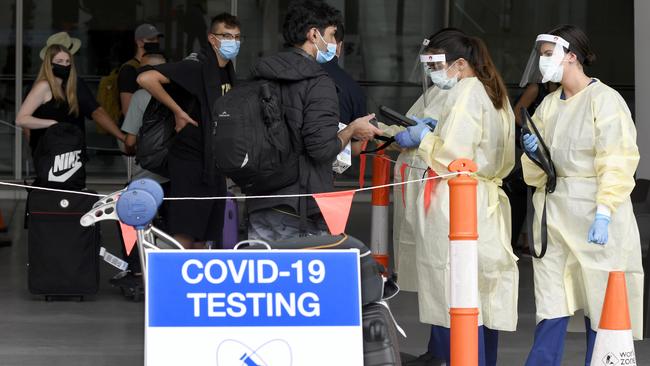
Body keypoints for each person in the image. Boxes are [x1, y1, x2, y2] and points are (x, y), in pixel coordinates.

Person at [519, 25, 643, 366]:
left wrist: (604, 212)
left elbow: (617, 160)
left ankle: (601, 361)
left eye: (548, 55)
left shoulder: (604, 101)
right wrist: (534, 156)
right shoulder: (547, 106)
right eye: (542, 56)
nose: (543, 62)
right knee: (552, 294)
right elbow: (538, 172)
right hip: (555, 211)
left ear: (571, 56)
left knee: (600, 297)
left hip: (594, 209)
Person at [395, 31, 518, 366]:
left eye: (436, 64)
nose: (432, 71)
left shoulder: (466, 91)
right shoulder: (493, 90)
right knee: (480, 292)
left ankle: (460, 359)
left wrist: (425, 139)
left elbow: (454, 152)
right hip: (481, 201)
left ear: (460, 64)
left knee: (456, 291)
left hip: (458, 202)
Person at [246, 0, 381, 242]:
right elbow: (321, 150)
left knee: (264, 276)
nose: (333, 43)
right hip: (300, 206)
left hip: (260, 199)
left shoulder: (260, 74)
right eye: (331, 34)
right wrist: (352, 129)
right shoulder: (319, 82)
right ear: (313, 34)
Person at [137, 13, 240, 249]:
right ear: (212, 39)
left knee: (205, 235)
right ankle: (171, 281)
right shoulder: (195, 66)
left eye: (236, 37)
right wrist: (177, 111)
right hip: (190, 162)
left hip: (213, 164)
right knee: (185, 232)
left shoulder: (227, 70)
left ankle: (193, 282)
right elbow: (146, 78)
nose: (233, 41)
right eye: (227, 36)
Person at [17, 44, 126, 156]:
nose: (65, 65)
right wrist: (52, 124)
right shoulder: (43, 86)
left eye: (68, 61)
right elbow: (21, 119)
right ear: (49, 64)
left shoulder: (71, 86)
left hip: (72, 152)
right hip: (51, 152)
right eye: (59, 61)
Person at [118, 23, 163, 118]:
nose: (156, 42)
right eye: (151, 39)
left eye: (157, 39)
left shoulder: (158, 66)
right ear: (139, 42)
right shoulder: (129, 70)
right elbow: (127, 110)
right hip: (138, 128)